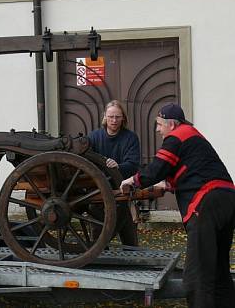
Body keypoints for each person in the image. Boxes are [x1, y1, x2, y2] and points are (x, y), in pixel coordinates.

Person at [121, 103, 235, 307]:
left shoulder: (177, 136)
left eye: (159, 124)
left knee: (197, 276)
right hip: (227, 199)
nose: (157, 130)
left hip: (206, 202)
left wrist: (133, 181)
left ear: (171, 124)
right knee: (218, 270)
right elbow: (187, 171)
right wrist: (165, 184)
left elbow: (157, 168)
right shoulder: (194, 136)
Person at [88, 100, 141, 246]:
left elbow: (133, 164)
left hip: (122, 189)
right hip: (97, 191)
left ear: (123, 118)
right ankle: (98, 253)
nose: (114, 120)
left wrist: (118, 166)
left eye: (117, 117)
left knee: (127, 228)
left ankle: (133, 257)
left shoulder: (130, 138)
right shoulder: (94, 137)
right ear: (105, 116)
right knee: (98, 227)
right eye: (111, 116)